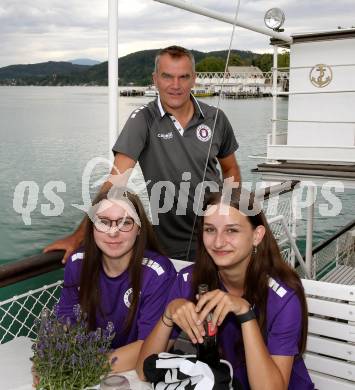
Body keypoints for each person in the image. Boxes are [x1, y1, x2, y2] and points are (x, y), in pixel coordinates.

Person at [44, 45, 241, 262]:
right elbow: (115, 181)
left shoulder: (216, 118)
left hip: (219, 239)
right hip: (170, 246)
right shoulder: (143, 120)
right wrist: (79, 235)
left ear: (194, 79)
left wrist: (230, 211)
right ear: (155, 79)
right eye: (167, 77)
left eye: (183, 77)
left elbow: (230, 168)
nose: (175, 85)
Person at [136, 187, 314, 389]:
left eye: (232, 230)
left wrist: (245, 313)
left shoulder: (283, 296)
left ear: (257, 235)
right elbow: (143, 371)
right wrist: (168, 315)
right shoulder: (189, 280)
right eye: (210, 230)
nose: (218, 242)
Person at [56, 186, 176, 373]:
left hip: (136, 372)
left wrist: (83, 368)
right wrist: (51, 359)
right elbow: (65, 320)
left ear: (139, 229)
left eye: (125, 222)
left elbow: (150, 346)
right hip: (89, 363)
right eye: (103, 222)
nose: (113, 232)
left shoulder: (157, 273)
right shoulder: (78, 262)